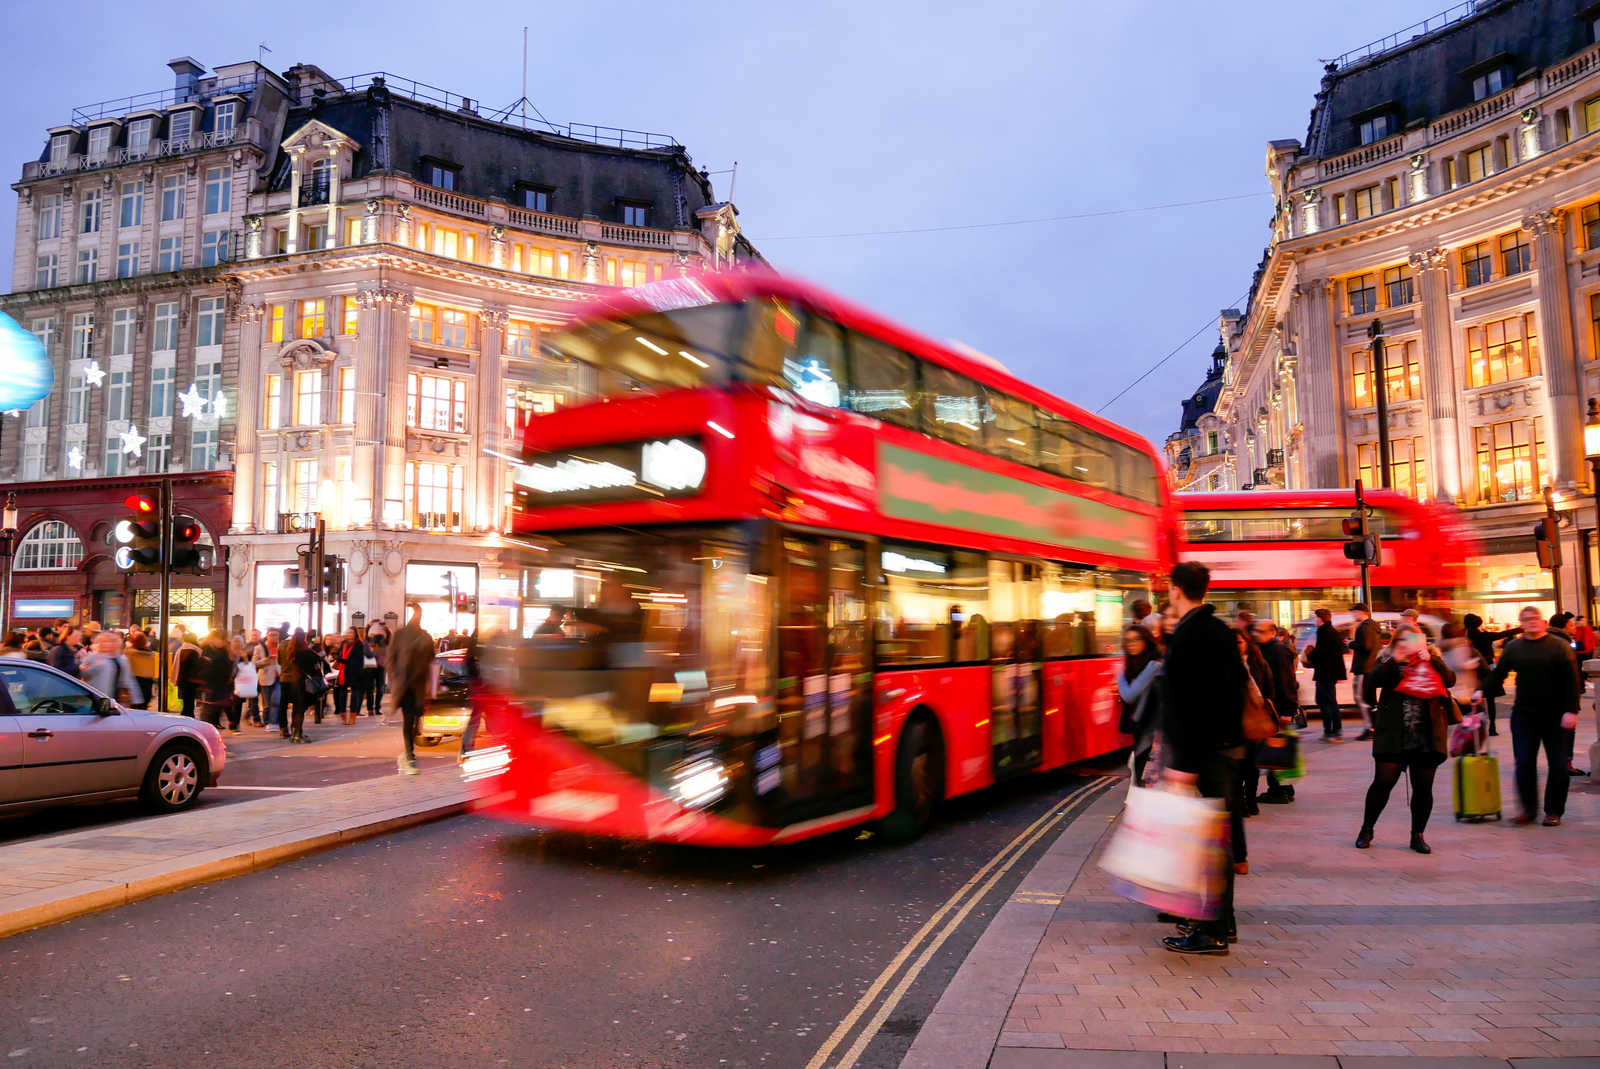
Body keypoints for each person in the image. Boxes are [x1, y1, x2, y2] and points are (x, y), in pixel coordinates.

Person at [1157, 561, 1246, 956]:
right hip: (1226, 747)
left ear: (1176, 589)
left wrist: (1184, 766)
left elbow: (1191, 706)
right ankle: (1219, 919)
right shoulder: (1219, 630)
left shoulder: (1190, 635)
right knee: (1215, 840)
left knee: (1207, 843)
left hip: (1204, 753)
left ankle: (1211, 930)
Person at [1476, 606, 1581, 827]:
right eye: (1527, 619)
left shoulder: (1559, 646)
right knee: (1524, 762)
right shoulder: (1514, 648)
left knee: (1558, 765)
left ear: (1543, 622)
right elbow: (1498, 673)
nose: (1532, 622)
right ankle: (1527, 809)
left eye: (1536, 618)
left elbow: (1572, 680)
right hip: (1524, 715)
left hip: (1556, 715)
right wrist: (1481, 691)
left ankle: (1553, 811)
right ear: (1521, 624)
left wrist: (1571, 710)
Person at [1356, 629, 1457, 853]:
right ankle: (1367, 829)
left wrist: (1432, 660)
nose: (1410, 644)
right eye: (1404, 640)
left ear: (1423, 643)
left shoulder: (1434, 660)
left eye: (1415, 640)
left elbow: (1450, 680)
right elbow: (1373, 681)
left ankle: (1417, 835)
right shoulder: (1388, 660)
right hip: (1394, 735)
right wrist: (1395, 660)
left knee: (1423, 787)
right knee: (1383, 782)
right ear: (1397, 642)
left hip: (1426, 735)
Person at [1251, 618, 1298, 804]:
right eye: (1255, 631)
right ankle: (1285, 789)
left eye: (1261, 631)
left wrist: (1287, 710)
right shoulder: (1268, 650)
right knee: (1277, 749)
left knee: (1274, 749)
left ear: (1272, 633)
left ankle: (1279, 790)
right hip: (1274, 708)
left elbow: (1286, 682)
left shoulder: (1276, 650)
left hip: (1277, 709)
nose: (1256, 634)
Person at [387, 603, 436, 775]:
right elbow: (390, 659)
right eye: (417, 613)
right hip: (406, 685)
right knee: (409, 720)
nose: (418, 617)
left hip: (419, 686)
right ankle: (409, 757)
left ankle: (407, 754)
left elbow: (432, 663)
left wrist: (431, 688)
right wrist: (395, 679)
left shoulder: (426, 637)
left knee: (416, 721)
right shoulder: (400, 634)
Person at [1117, 624, 1162, 785]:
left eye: (1136, 639)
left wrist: (1118, 673)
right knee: (1143, 774)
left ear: (1146, 641)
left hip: (1152, 728)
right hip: (1143, 726)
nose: (1131, 644)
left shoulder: (1153, 665)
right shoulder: (1136, 664)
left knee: (1144, 775)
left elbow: (1129, 695)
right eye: (1127, 640)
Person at [1307, 608, 1347, 741]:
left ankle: (1335, 731)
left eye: (1315, 618)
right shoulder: (1328, 631)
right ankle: (1329, 730)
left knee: (1329, 702)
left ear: (1320, 619)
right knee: (1322, 701)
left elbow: (1321, 651)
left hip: (1327, 672)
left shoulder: (1326, 632)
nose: (1315, 620)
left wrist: (1309, 656)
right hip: (1326, 672)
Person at [81, 630, 142, 708]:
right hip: (97, 698)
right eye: (105, 642)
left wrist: (136, 698)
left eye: (111, 642)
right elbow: (84, 674)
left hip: (116, 699)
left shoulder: (121, 659)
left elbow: (129, 679)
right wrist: (96, 666)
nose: (108, 644)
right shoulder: (92, 656)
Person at [1348, 603, 1382, 742]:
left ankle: (1370, 728)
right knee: (1370, 699)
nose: (1353, 615)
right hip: (1371, 667)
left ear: (1362, 612)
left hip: (1364, 668)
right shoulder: (1373, 627)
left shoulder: (1364, 628)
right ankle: (1374, 727)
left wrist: (1350, 644)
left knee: (1362, 699)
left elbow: (1365, 646)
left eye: (1354, 612)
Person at [196, 630, 237, 734]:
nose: (223, 641)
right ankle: (207, 731)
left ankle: (211, 729)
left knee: (215, 709)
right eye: (222, 638)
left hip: (221, 684)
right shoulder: (206, 649)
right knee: (209, 710)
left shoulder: (224, 650)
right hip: (211, 684)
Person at [1464, 614, 1499, 736]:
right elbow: (1502, 634)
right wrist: (1521, 629)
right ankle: (1492, 726)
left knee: (1474, 699)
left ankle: (1476, 726)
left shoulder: (1465, 638)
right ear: (1479, 623)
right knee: (1491, 699)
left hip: (1472, 670)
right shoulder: (1485, 636)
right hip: (1487, 666)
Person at [336, 627, 368, 725]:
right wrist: (337, 657)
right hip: (343, 671)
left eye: (351, 633)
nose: (349, 634)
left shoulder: (359, 645)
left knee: (354, 694)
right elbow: (341, 656)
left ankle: (352, 716)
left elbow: (360, 661)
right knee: (342, 694)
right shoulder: (344, 644)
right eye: (348, 632)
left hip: (354, 671)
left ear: (355, 634)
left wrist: (359, 673)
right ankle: (343, 717)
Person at [255, 630, 282, 731]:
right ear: (267, 636)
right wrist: (264, 661)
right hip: (265, 676)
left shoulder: (281, 647)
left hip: (278, 676)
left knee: (275, 700)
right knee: (266, 704)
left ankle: (273, 722)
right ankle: (266, 721)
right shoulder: (260, 648)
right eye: (272, 635)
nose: (274, 637)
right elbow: (254, 662)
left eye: (276, 635)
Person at [172, 631, 203, 718]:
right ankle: (187, 719)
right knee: (189, 703)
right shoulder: (194, 651)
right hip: (191, 680)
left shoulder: (181, 649)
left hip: (182, 679)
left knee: (187, 702)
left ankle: (187, 718)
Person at [124, 631, 158, 709]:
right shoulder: (153, 655)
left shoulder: (128, 654)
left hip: (133, 683)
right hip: (147, 684)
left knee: (131, 708)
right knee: (143, 708)